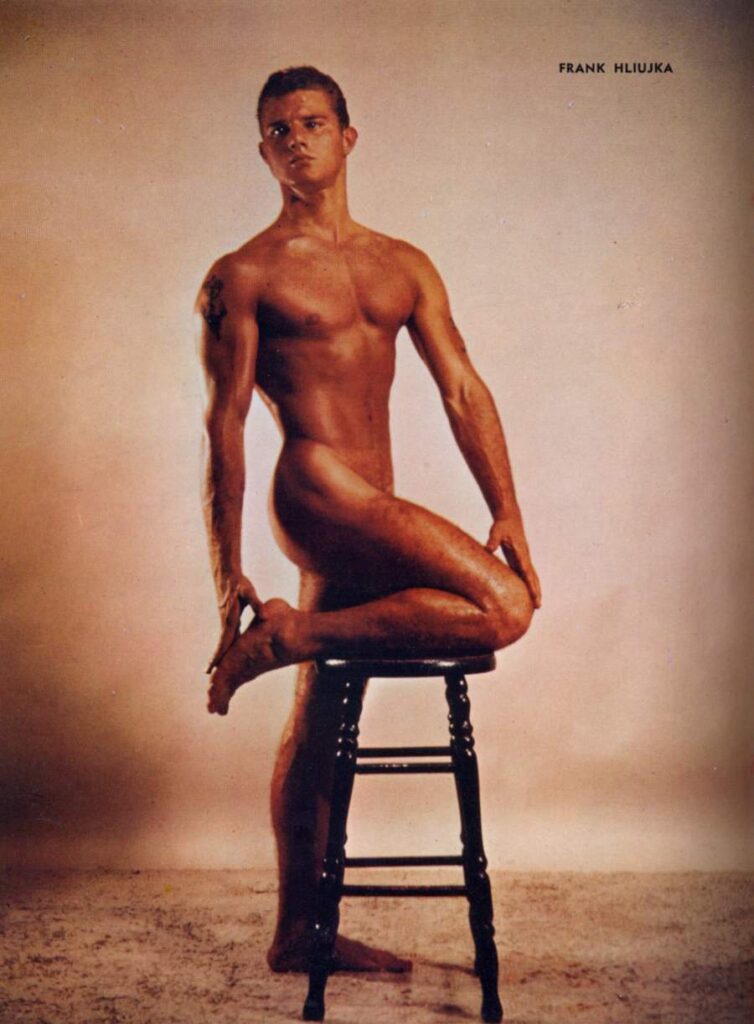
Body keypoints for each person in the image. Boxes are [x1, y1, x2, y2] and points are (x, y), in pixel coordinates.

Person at [196, 66, 541, 973]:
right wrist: (228, 572)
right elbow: (225, 425)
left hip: (371, 505)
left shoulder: (403, 264)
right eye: (278, 129)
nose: (296, 139)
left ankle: (297, 934)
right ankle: (292, 635)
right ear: (263, 152)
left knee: (319, 717)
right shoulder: (244, 274)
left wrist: (505, 505)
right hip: (316, 489)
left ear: (348, 137)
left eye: (312, 123)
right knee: (504, 608)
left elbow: (461, 387)